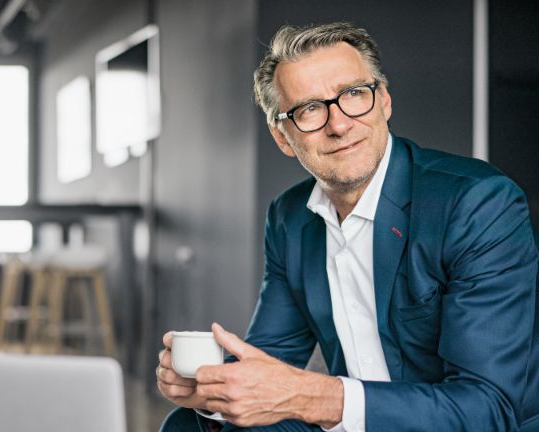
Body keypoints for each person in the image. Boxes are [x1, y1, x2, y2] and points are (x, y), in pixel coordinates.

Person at [156, 22, 539, 432]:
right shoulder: (290, 219)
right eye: (309, 110)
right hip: (347, 424)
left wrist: (316, 398)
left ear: (385, 101)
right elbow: (271, 359)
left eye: (354, 94)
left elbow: (489, 408)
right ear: (283, 138)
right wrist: (213, 389)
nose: (338, 125)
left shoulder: (477, 202)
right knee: (189, 424)